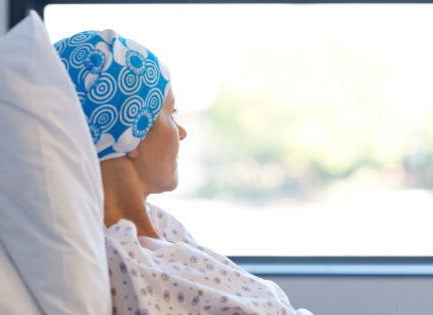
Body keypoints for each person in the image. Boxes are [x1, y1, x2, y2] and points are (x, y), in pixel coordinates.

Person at [55, 29, 312, 315]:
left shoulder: (160, 225)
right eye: (171, 113)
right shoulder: (127, 263)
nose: (182, 132)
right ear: (133, 130)